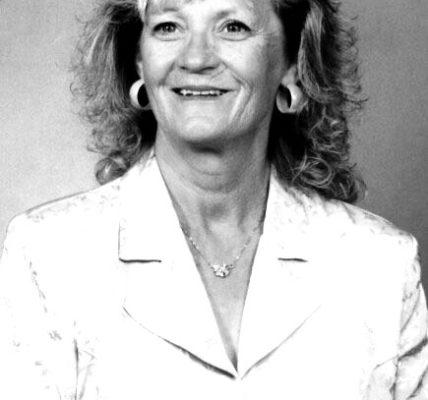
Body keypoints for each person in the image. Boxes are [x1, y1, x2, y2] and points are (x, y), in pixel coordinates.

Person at [0, 0, 426, 398]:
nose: (196, 58)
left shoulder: (380, 265)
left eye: (233, 27)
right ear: (139, 61)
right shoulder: (47, 255)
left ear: (293, 63)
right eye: (169, 27)